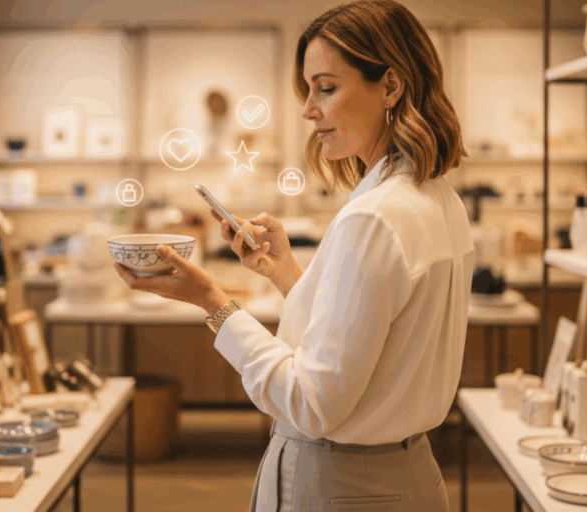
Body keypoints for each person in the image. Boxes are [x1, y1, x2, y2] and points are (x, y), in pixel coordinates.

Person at [114, 0, 474, 509]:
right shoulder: (438, 198)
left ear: (390, 86)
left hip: (345, 486)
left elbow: (311, 402)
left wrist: (213, 302)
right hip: (405, 475)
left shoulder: (371, 218)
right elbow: (370, 339)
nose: (309, 109)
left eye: (326, 88)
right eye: (308, 91)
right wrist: (286, 274)